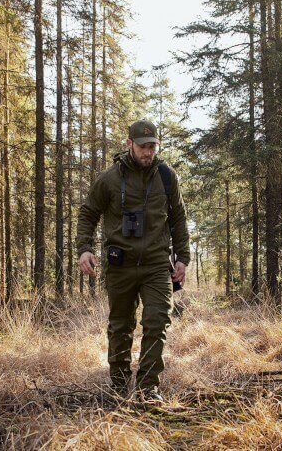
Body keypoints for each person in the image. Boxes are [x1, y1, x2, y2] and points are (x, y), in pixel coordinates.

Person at [76, 120, 190, 402]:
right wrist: (84, 249)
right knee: (120, 325)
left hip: (155, 264)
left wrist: (182, 258)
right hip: (120, 264)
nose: (148, 152)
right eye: (142, 146)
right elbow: (88, 213)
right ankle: (117, 385)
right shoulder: (109, 179)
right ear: (129, 144)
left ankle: (147, 388)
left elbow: (178, 218)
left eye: (152, 147)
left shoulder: (166, 176)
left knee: (157, 320)